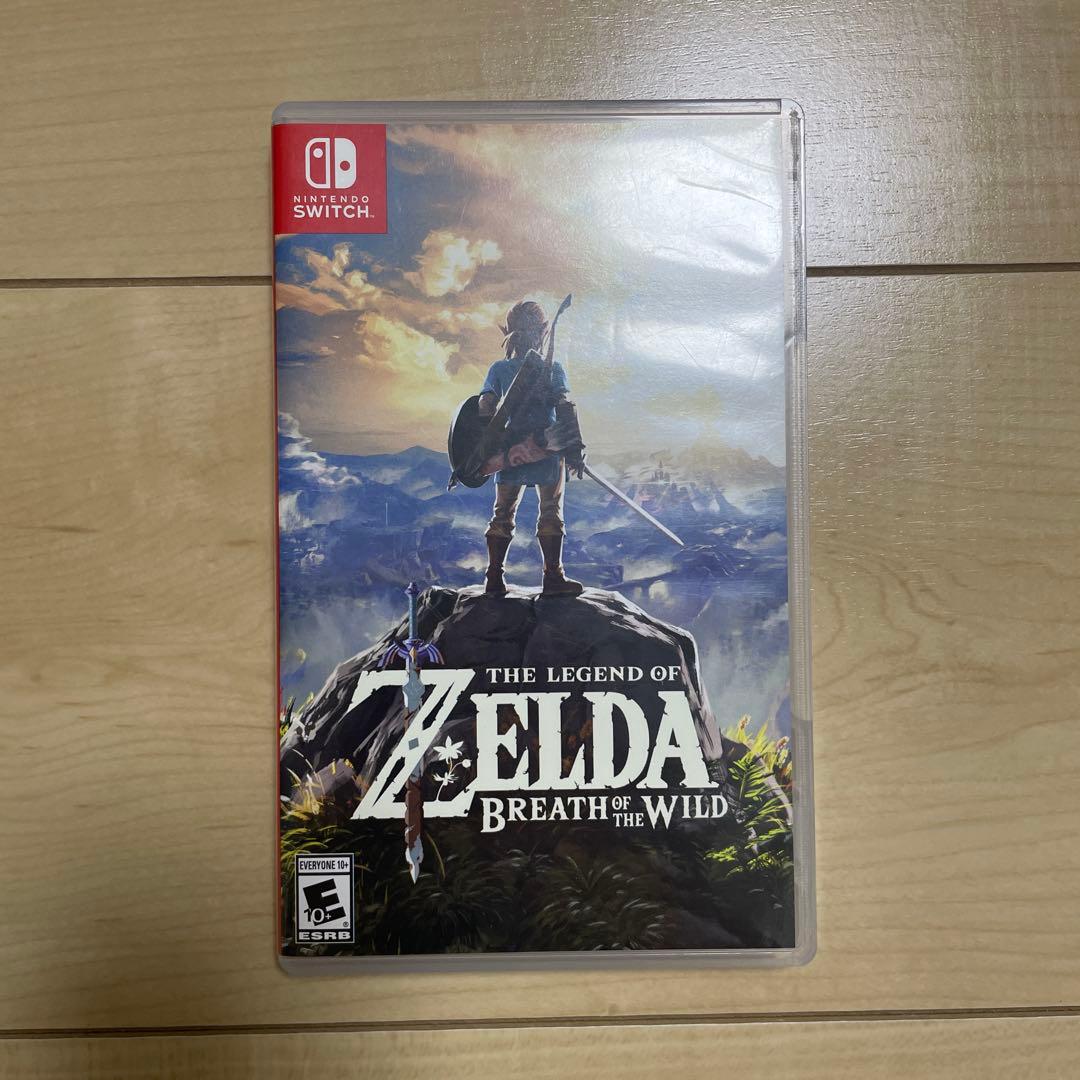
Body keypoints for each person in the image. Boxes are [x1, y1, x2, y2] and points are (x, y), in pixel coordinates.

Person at [478, 300, 584, 597]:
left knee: (502, 514)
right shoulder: (553, 368)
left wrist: (488, 445)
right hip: (547, 448)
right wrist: (574, 448)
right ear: (542, 332)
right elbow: (564, 405)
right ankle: (553, 577)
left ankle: (494, 578)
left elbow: (485, 406)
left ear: (509, 332)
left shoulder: (499, 368)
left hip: (511, 451)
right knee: (550, 512)